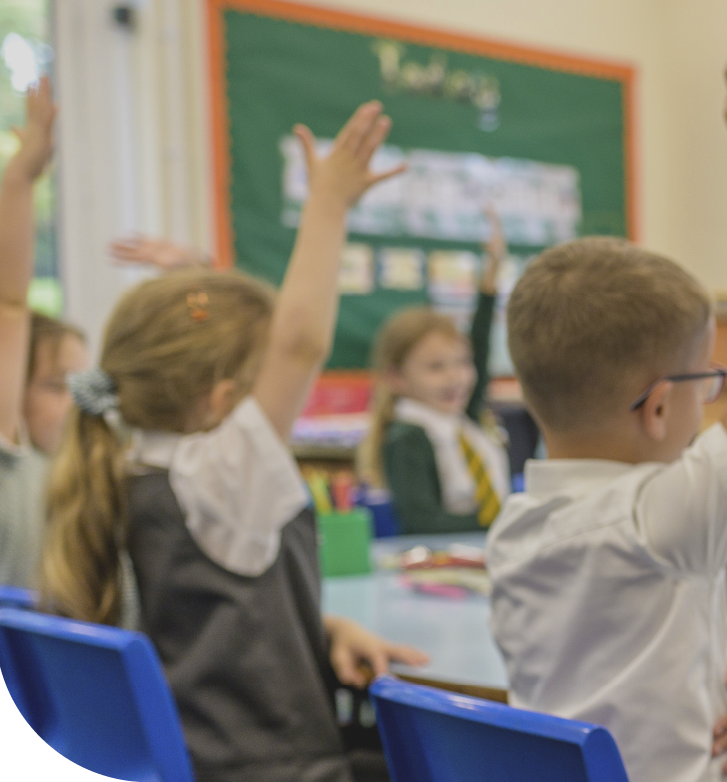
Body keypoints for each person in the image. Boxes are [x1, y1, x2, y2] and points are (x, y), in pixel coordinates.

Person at [39, 101, 430, 782]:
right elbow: (299, 341)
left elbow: (209, 618)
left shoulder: (130, 464)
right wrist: (328, 204)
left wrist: (322, 630)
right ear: (223, 402)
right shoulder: (217, 475)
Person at [484, 48, 727, 782]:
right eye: (708, 382)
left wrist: (723, 675)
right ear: (660, 405)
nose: (712, 399)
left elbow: (614, 671)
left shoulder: (515, 528)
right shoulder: (661, 520)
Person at [357, 210, 509, 534]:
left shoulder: (460, 419)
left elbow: (480, 347)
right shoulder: (408, 436)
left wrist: (491, 276)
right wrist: (506, 522)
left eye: (461, 363)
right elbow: (422, 522)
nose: (455, 377)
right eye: (435, 367)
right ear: (396, 378)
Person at [0, 77, 73, 590]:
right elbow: (10, 305)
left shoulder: (77, 477)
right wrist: (19, 180)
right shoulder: (13, 466)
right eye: (55, 385)